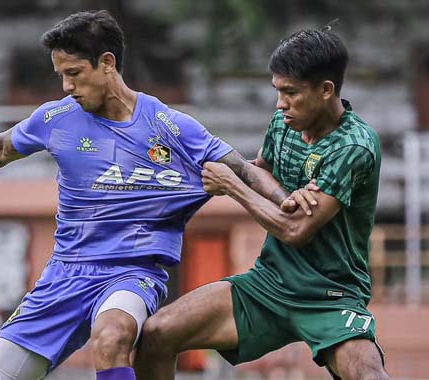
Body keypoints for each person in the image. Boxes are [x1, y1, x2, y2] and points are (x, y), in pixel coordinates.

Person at [0, 10, 306, 380]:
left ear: (107, 63)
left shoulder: (169, 125)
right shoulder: (56, 118)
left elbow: (242, 169)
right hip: (64, 275)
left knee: (112, 335)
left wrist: (286, 200)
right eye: (61, 76)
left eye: (74, 74)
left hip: (132, 273)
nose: (67, 86)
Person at [135, 29, 391, 380]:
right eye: (277, 91)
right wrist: (284, 196)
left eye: (291, 92)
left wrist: (233, 187)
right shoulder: (284, 124)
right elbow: (261, 173)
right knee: (157, 333)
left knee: (369, 375)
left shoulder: (353, 146)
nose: (280, 103)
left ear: (326, 90)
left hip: (331, 295)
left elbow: (296, 230)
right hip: (270, 283)